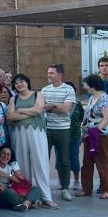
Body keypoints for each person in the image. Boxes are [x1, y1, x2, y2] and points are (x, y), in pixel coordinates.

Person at [7, 74, 58, 209]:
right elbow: (11, 116)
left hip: (37, 132)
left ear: (27, 82)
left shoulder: (37, 94)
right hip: (18, 133)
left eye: (21, 81)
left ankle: (46, 197)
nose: (19, 84)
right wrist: (31, 112)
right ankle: (29, 197)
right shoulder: (13, 98)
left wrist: (22, 110)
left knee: (41, 163)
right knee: (22, 165)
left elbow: (39, 110)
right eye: (16, 83)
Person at [41, 64, 76, 201]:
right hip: (47, 128)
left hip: (63, 129)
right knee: (44, 159)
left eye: (52, 73)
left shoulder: (68, 89)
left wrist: (51, 107)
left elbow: (65, 110)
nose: (48, 75)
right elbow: (40, 107)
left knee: (64, 160)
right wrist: (56, 106)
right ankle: (43, 188)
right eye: (48, 73)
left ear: (60, 75)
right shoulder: (44, 90)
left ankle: (65, 188)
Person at [76, 75, 108, 199]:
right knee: (87, 162)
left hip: (101, 135)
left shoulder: (104, 99)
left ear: (92, 85)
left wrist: (96, 131)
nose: (85, 87)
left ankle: (107, 189)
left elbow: (106, 118)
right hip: (89, 135)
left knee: (102, 162)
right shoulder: (92, 98)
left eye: (86, 84)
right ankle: (86, 189)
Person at [0, 146, 42, 212]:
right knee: (9, 193)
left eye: (8, 154)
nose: (5, 156)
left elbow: (20, 180)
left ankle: (24, 204)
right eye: (3, 153)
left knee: (36, 189)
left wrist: (10, 176)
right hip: (1, 193)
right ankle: (30, 202)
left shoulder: (12, 164)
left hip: (14, 191)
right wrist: (9, 175)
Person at [65, 81, 84, 192]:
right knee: (61, 158)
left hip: (75, 134)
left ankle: (77, 180)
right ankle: (62, 179)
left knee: (74, 157)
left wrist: (78, 128)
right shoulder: (61, 102)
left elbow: (81, 117)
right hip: (61, 133)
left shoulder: (78, 103)